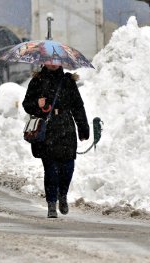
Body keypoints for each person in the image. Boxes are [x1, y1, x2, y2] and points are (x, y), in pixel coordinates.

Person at [22, 64, 89, 218]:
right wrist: (38, 105)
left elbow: (78, 106)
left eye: (56, 60)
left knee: (68, 167)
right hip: (47, 129)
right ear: (44, 62)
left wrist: (83, 128)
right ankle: (51, 203)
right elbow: (27, 105)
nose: (53, 63)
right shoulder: (37, 81)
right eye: (49, 60)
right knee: (51, 170)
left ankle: (62, 195)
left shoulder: (68, 81)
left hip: (66, 128)